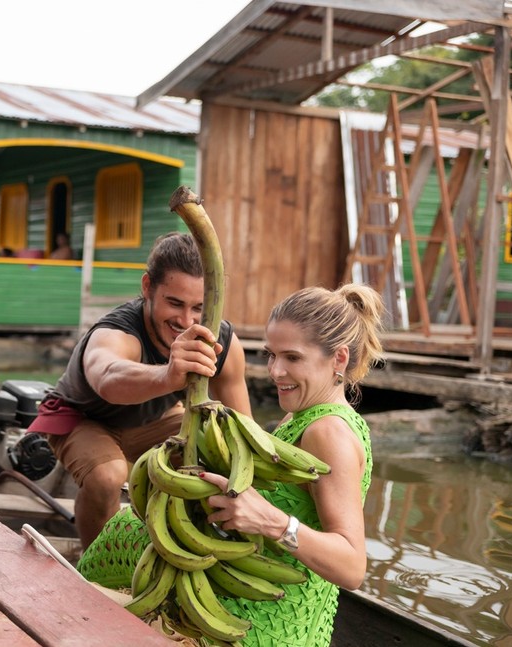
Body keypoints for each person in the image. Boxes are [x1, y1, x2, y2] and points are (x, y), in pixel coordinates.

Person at [27, 232, 251, 548]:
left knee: (218, 452)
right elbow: (107, 377)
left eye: (199, 307)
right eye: (174, 303)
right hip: (84, 419)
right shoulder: (117, 330)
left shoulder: (222, 342)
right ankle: (93, 561)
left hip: (153, 420)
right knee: (108, 476)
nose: (186, 320)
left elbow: (244, 429)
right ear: (148, 287)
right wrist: (169, 376)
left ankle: (179, 549)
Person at [197, 283, 386, 646]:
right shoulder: (300, 414)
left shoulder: (328, 432)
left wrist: (272, 521)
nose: (275, 371)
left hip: (268, 624)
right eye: (271, 354)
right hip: (247, 598)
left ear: (339, 359)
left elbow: (352, 567)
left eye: (293, 358)